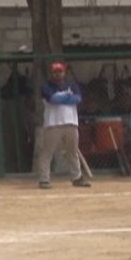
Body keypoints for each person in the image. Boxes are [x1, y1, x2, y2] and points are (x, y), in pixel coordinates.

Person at [38, 61, 90, 189]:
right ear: (51, 73)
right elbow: (53, 100)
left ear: (64, 72)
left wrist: (62, 98)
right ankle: (44, 179)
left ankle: (77, 178)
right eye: (55, 72)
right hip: (53, 123)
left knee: (72, 152)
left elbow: (77, 99)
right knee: (47, 152)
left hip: (71, 122)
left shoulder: (72, 85)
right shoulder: (46, 86)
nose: (58, 74)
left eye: (60, 71)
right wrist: (67, 98)